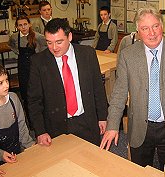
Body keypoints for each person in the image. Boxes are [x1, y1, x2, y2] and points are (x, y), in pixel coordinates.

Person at [100, 7, 165, 171]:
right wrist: (112, 125)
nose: (152, 33)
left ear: (162, 26)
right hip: (139, 127)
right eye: (145, 28)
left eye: (155, 26)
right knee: (140, 172)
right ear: (138, 31)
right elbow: (119, 94)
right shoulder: (127, 55)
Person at [27, 18, 108, 147]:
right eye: (49, 42)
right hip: (57, 126)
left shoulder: (87, 54)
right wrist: (40, 131)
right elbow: (34, 100)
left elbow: (98, 88)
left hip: (87, 121)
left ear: (69, 36)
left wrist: (102, 116)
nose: (54, 48)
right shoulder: (38, 61)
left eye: (59, 42)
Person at [0, 63, 34, 168]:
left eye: (6, 80)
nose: (7, 85)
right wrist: (1, 155)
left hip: (17, 154)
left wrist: (31, 147)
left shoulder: (13, 98)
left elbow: (22, 127)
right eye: (0, 83)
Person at [8, 15, 47, 123]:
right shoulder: (15, 37)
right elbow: (11, 45)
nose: (23, 27)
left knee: (38, 92)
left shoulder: (38, 37)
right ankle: (30, 121)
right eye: (20, 25)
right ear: (17, 27)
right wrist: (17, 52)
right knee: (25, 94)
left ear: (29, 24)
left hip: (34, 67)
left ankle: (41, 118)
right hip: (23, 67)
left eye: (25, 24)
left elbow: (45, 48)